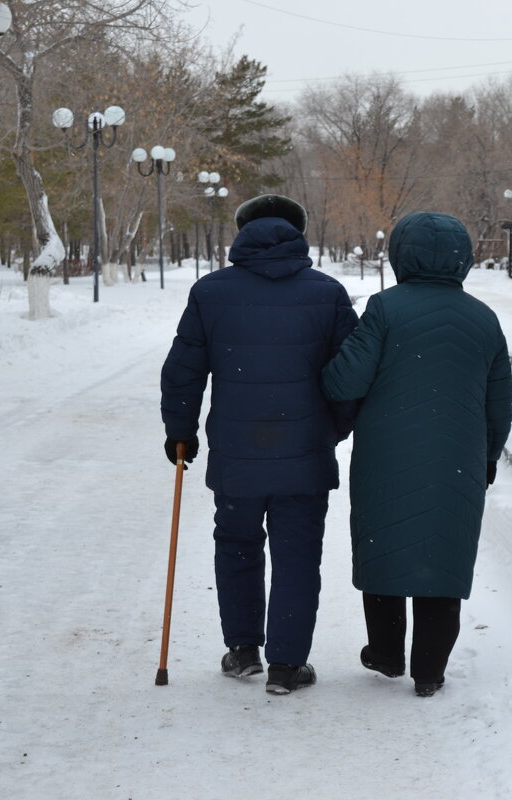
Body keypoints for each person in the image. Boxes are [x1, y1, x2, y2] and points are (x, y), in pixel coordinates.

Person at [160, 194, 358, 694]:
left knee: (237, 546)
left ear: (241, 232)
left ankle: (243, 649)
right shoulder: (327, 293)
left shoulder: (211, 292)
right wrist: (330, 428)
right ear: (299, 232)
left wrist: (179, 430)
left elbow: (184, 370)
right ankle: (288, 665)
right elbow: (350, 376)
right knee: (297, 554)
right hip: (304, 454)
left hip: (236, 451)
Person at [321, 211, 512, 697]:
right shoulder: (483, 318)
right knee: (444, 556)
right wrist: (489, 455)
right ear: (463, 258)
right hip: (459, 458)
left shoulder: (385, 309)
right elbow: (499, 400)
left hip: (386, 454)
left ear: (401, 255)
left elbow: (345, 380)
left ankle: (386, 652)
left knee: (383, 544)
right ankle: (429, 670)